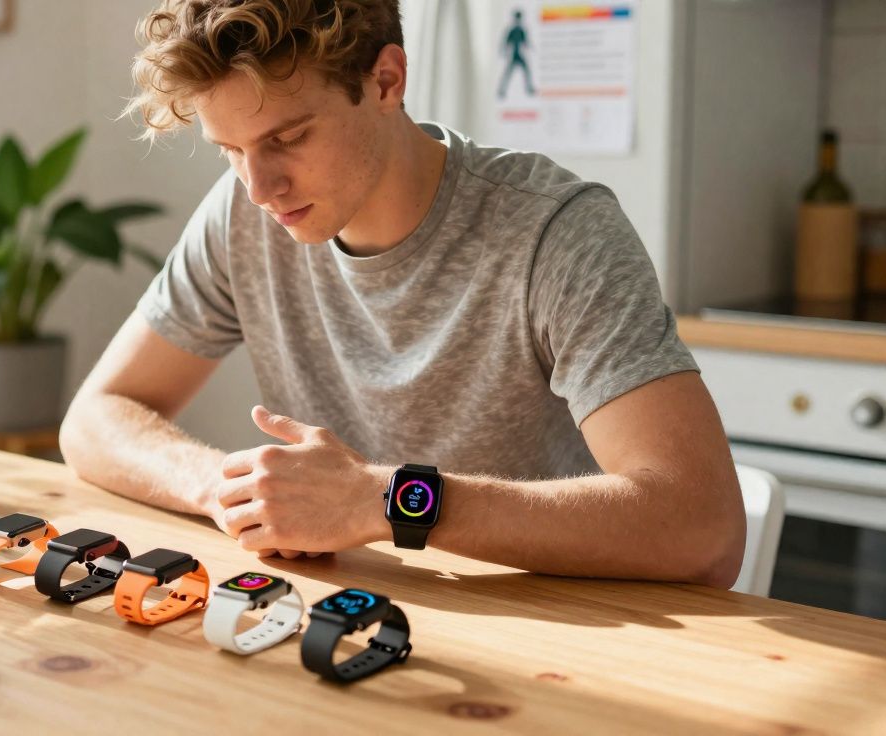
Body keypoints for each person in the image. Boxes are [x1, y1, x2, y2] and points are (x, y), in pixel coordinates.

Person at [59, 0, 745, 588]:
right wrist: (225, 489)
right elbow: (95, 418)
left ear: (386, 80)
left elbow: (704, 530)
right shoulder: (242, 216)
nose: (259, 187)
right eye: (229, 151)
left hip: (556, 632)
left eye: (288, 137)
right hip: (359, 615)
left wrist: (388, 502)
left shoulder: (555, 232)